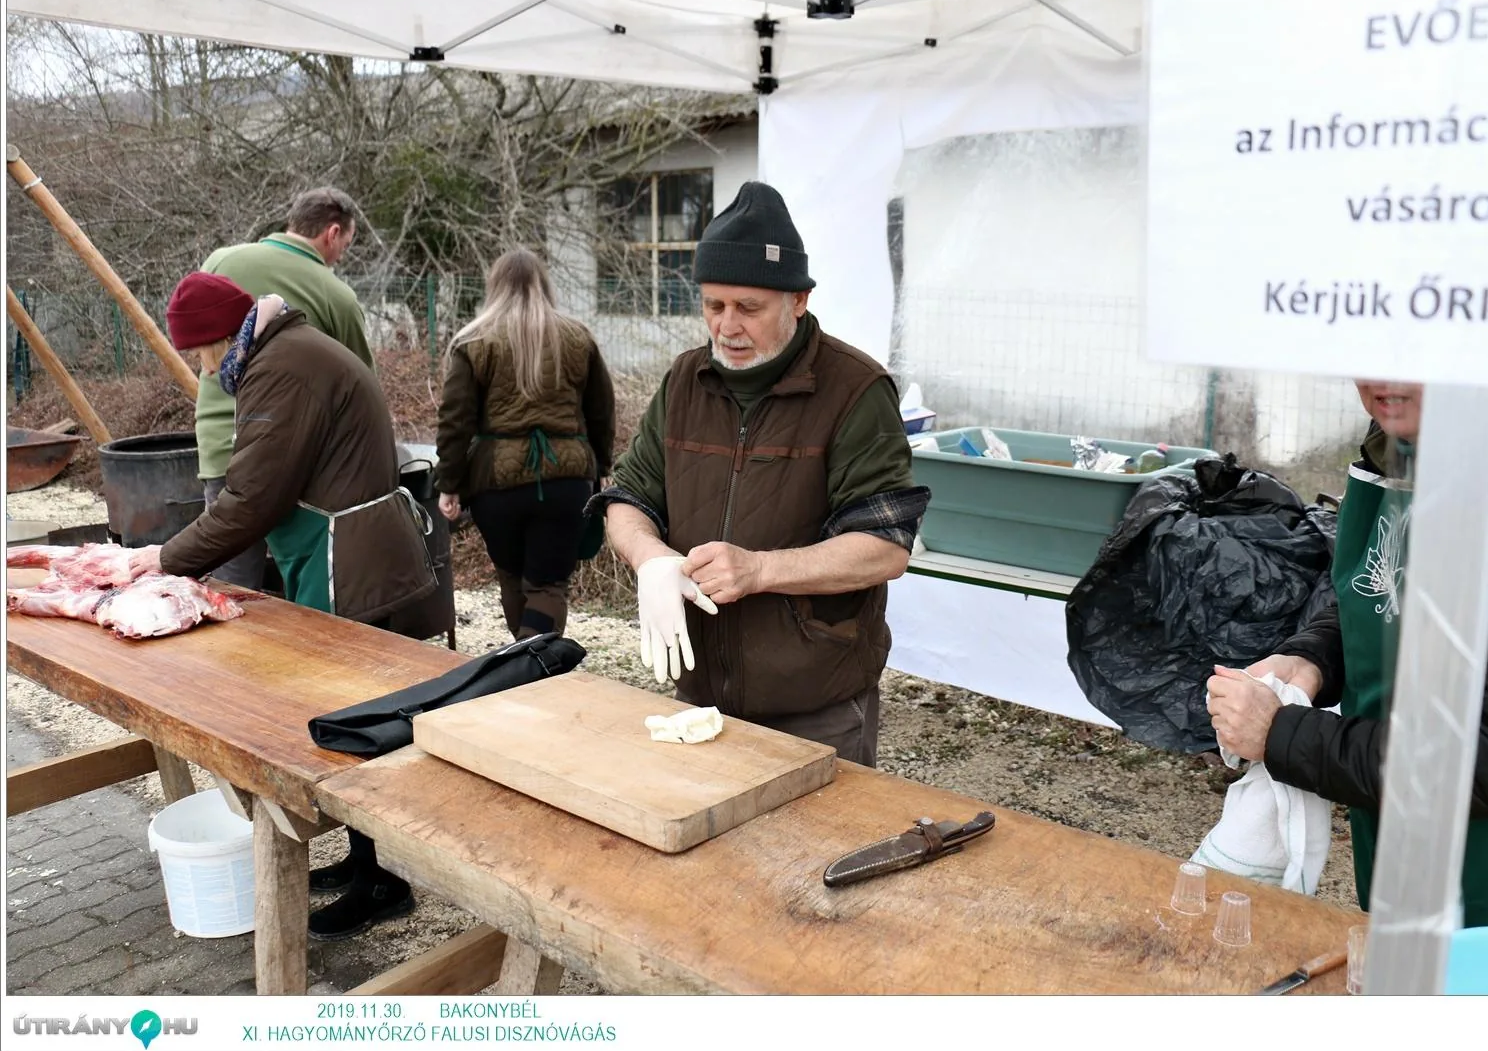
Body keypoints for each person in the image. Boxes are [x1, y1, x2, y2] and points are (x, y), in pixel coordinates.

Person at [129, 270, 436, 941]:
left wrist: (163, 559)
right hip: (338, 547)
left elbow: (253, 496)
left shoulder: (280, 369)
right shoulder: (284, 351)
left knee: (353, 725)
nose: (203, 369)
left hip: (346, 555)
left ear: (217, 336)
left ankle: (378, 881)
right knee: (348, 717)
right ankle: (366, 863)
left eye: (199, 353)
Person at [588, 181, 930, 766]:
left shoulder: (854, 391)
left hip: (814, 705)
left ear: (797, 300)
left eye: (749, 308)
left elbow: (885, 547)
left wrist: (760, 569)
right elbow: (627, 497)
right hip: (699, 694)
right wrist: (651, 559)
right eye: (713, 305)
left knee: (814, 854)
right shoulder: (684, 381)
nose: (727, 327)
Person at [1206, 382, 1488, 928]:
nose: (1382, 376)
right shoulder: (1400, 442)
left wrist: (1281, 734)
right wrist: (1315, 657)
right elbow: (1392, 594)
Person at [193, 187, 373, 590]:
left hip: (223, 448)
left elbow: (204, 351)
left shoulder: (222, 261)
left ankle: (227, 653)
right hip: (301, 469)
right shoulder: (337, 297)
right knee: (308, 588)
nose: (343, 253)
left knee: (229, 587)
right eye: (346, 241)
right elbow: (364, 389)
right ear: (331, 233)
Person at [434, 247, 615, 638]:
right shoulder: (578, 337)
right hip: (566, 483)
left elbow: (455, 421)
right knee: (548, 586)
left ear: (494, 287)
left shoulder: (473, 341)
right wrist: (602, 468)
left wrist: (448, 483)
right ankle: (534, 667)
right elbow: (602, 412)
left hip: (496, 486)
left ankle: (525, 668)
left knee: (512, 581)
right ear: (544, 286)